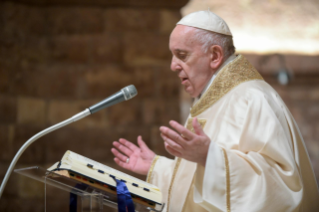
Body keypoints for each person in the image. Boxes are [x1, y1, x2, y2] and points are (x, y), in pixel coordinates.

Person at [111, 10, 319, 211]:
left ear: (215, 56)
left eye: (182, 55)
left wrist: (210, 157)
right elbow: (199, 184)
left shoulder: (253, 98)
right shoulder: (212, 99)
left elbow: (282, 189)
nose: (173, 65)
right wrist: (158, 168)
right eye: (173, 56)